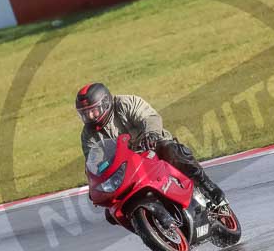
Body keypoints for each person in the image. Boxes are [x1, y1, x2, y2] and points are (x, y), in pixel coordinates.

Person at [76, 82, 227, 207]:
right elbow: (93, 160)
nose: (89, 116)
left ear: (105, 103)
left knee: (171, 150)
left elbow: (150, 117)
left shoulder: (125, 104)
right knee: (111, 208)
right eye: (85, 113)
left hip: (152, 147)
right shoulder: (88, 134)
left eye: (93, 111)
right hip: (126, 167)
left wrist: (151, 134)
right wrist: (95, 183)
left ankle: (207, 186)